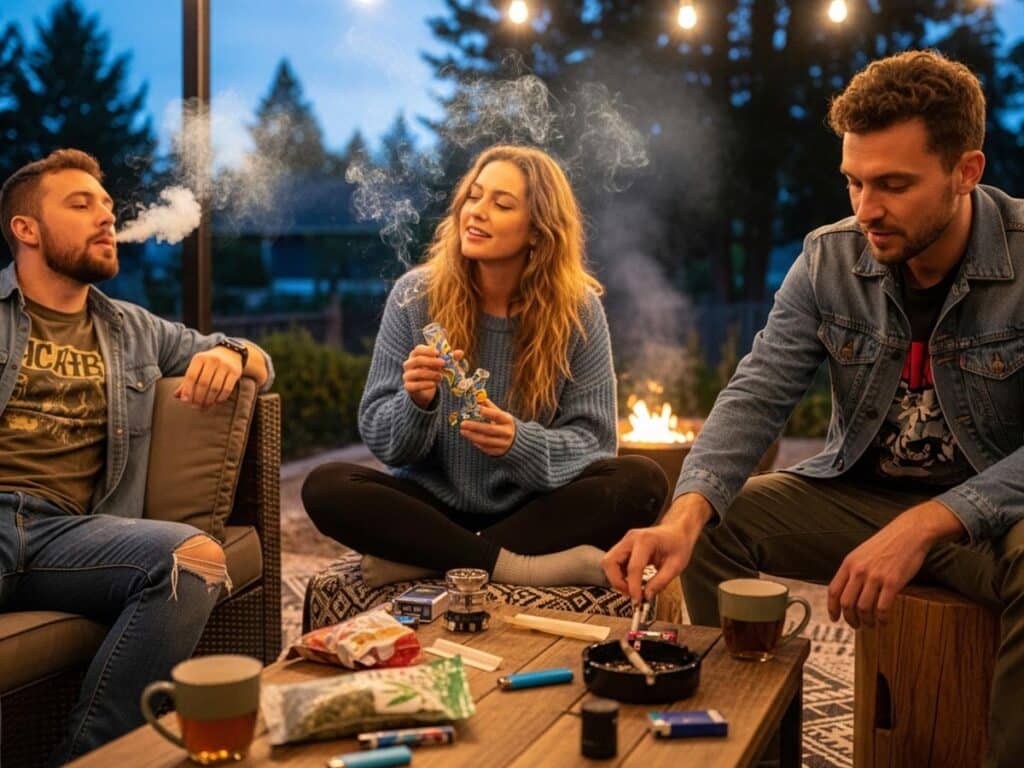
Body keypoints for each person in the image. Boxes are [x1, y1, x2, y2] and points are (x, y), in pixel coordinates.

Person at [603, 50, 1024, 767]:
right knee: (715, 523)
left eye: (893, 184)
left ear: (966, 171)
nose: (866, 210)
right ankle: (754, 750)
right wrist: (683, 515)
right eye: (854, 181)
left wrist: (930, 520)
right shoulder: (829, 259)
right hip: (862, 499)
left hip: (996, 519)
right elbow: (758, 390)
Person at [0, 148, 273, 764]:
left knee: (194, 559)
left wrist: (230, 352)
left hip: (67, 534)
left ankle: (93, 758)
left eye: (107, 205)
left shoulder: (132, 329)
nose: (106, 216)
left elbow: (261, 360)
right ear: (26, 229)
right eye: (81, 205)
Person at [303, 144, 667, 588]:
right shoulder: (414, 297)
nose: (476, 211)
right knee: (326, 486)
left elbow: (595, 443)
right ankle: (518, 567)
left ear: (538, 231)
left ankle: (428, 559)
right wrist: (416, 403)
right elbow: (384, 442)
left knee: (642, 482)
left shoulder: (578, 309)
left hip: (534, 508)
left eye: (502, 204)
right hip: (432, 506)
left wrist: (519, 443)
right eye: (473, 196)